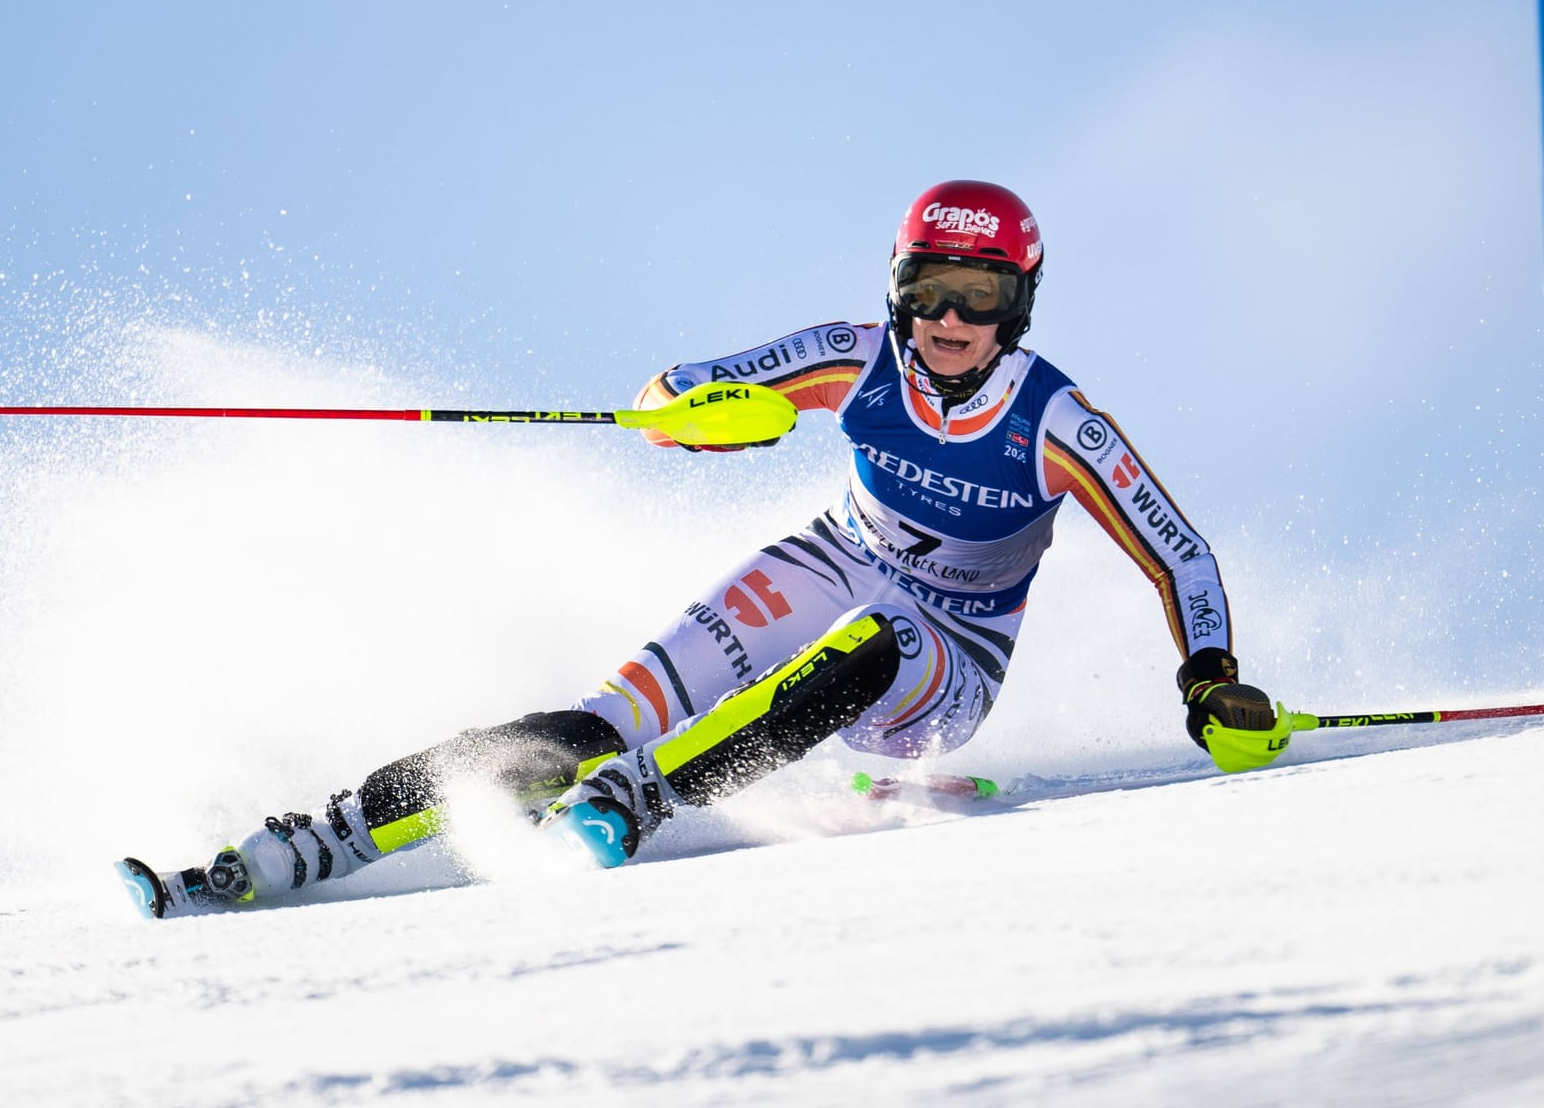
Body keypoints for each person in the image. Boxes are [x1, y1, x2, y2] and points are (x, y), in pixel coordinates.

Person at [119, 179, 1294, 918]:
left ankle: (645, 799)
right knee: (595, 720)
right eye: (932, 289)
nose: (951, 320)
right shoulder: (857, 355)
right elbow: (688, 386)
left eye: (980, 297)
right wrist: (693, 410)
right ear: (900, 287)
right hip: (831, 553)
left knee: (874, 637)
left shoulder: (1055, 417)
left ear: (1018, 309)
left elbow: (1179, 552)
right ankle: (305, 842)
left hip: (949, 647)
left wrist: (1209, 680)